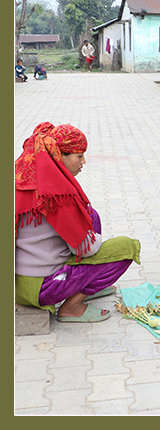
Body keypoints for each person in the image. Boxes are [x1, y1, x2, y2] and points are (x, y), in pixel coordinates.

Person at [14, 122, 141, 322]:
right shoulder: (57, 194)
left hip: (16, 284)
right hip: (43, 287)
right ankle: (71, 307)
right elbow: (87, 249)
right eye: (79, 156)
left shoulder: (24, 178)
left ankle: (87, 286)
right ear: (60, 155)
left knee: (91, 215)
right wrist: (96, 239)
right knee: (126, 248)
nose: (83, 162)